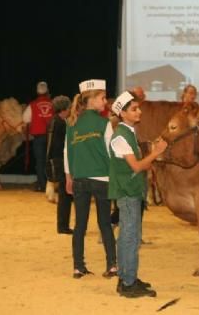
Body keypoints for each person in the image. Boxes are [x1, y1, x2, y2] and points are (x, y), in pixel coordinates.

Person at [109, 91, 167, 298]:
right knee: (129, 237)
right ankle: (128, 283)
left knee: (130, 236)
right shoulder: (120, 137)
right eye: (134, 109)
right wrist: (156, 153)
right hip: (127, 191)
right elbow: (136, 166)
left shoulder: (128, 133)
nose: (139, 111)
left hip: (131, 191)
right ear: (123, 114)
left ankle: (128, 277)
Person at [65, 79, 117, 279]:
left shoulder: (72, 123)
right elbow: (111, 152)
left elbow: (66, 151)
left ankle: (78, 266)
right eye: (103, 98)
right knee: (105, 223)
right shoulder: (104, 123)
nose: (105, 102)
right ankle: (112, 265)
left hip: (80, 179)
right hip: (102, 178)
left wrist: (69, 176)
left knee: (80, 225)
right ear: (93, 99)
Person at [46, 95, 73, 234]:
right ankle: (63, 226)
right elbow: (64, 145)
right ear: (64, 109)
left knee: (64, 194)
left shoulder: (52, 121)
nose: (70, 110)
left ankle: (62, 225)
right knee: (65, 196)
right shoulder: (62, 124)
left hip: (55, 161)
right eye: (69, 107)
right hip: (61, 162)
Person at [23, 81, 54, 192]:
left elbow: (25, 119)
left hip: (39, 137)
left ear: (37, 92)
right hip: (52, 137)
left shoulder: (32, 104)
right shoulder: (53, 104)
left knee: (40, 162)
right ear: (47, 91)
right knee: (51, 161)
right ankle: (53, 185)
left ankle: (42, 185)